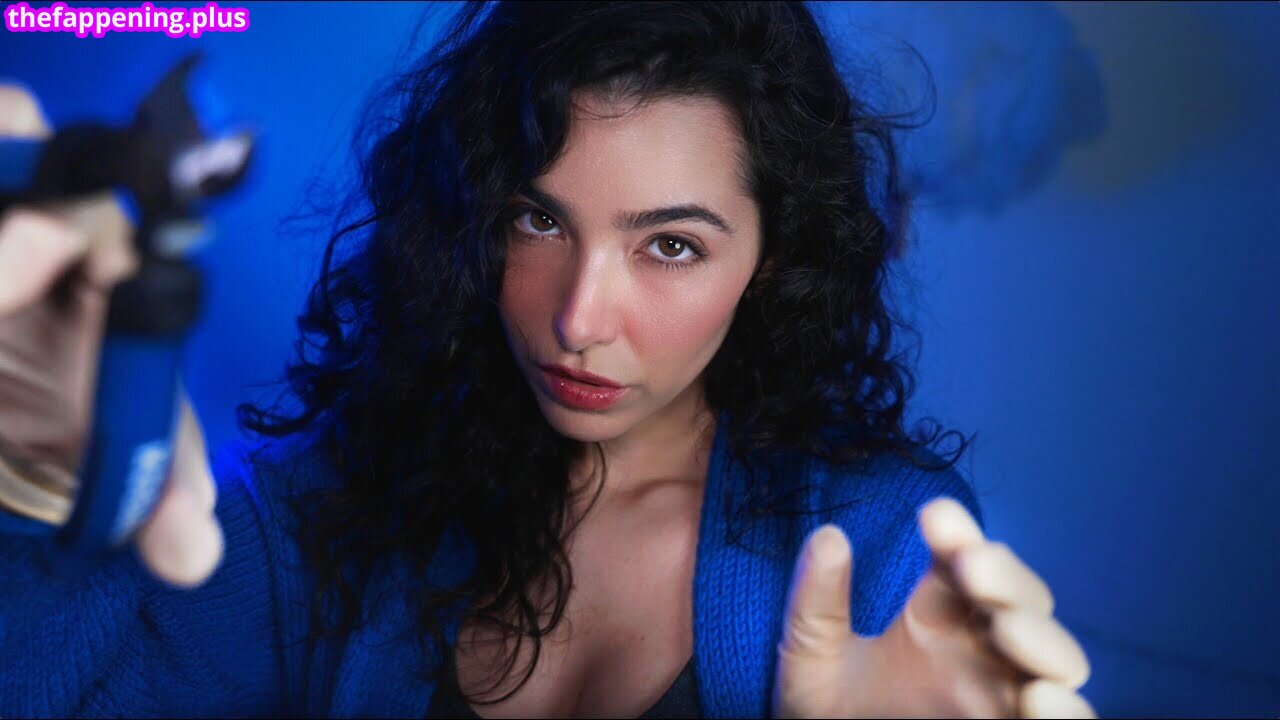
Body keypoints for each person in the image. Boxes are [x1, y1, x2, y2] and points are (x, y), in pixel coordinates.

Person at [0, 2, 1095, 717]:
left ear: (769, 262)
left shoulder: (883, 544)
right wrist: (43, 480)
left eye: (670, 246)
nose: (578, 318)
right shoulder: (332, 506)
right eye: (538, 220)